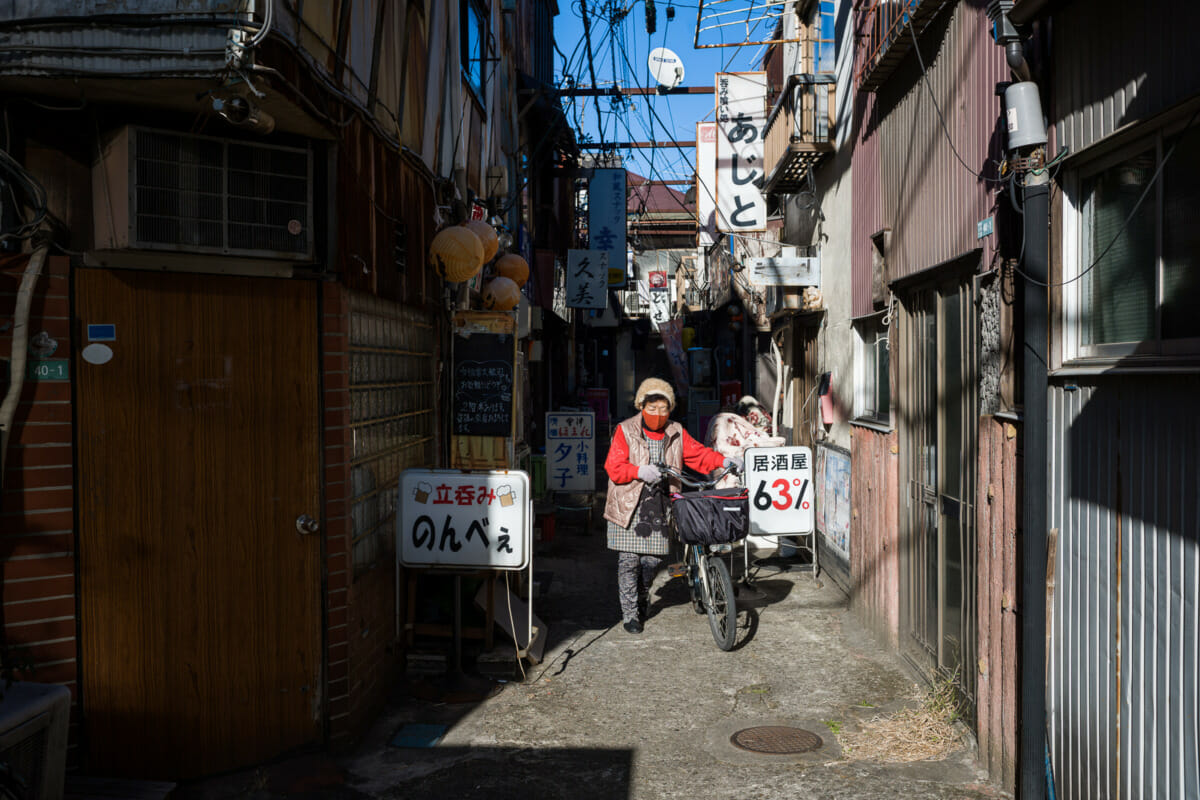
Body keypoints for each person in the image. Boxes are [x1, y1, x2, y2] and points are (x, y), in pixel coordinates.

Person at [603, 378, 742, 634]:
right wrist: (638, 471)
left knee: (652, 562)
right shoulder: (625, 430)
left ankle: (642, 597)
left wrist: (725, 461)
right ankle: (630, 614)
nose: (657, 414)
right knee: (628, 560)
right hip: (628, 504)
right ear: (641, 405)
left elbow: (698, 455)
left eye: (663, 409)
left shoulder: (676, 431)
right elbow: (613, 467)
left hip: (660, 505)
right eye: (652, 408)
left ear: (671, 409)